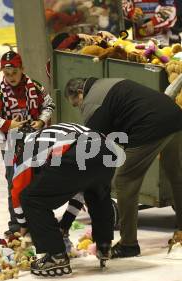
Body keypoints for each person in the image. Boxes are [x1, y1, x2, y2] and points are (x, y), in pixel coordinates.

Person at [64, 77, 182, 258]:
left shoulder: (91, 104)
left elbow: (94, 151)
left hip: (150, 127)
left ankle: (128, 244)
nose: (79, 108)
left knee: (124, 181)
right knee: (176, 175)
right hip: (175, 116)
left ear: (80, 94)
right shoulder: (106, 83)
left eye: (75, 104)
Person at [9, 122, 117, 276]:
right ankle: (104, 245)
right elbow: (79, 188)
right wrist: (65, 223)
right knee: (97, 192)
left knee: (30, 198)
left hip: (79, 150)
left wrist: (24, 225)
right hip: (107, 148)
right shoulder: (51, 134)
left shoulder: (28, 146)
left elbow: (17, 192)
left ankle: (56, 256)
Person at [0, 50, 55, 235]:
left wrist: (42, 121)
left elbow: (49, 105)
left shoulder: (35, 86)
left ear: (22, 69)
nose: (11, 77)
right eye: (7, 74)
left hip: (36, 143)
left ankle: (39, 221)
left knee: (38, 181)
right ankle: (15, 225)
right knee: (14, 183)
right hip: (10, 146)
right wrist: (8, 124)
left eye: (14, 72)